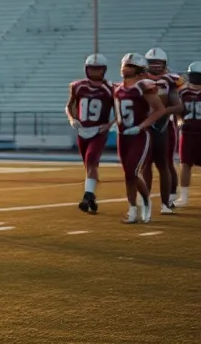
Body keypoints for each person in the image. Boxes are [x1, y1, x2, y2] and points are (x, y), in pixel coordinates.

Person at [114, 53, 167, 224]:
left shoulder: (144, 86)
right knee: (127, 175)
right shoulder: (117, 88)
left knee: (132, 172)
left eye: (130, 66)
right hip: (123, 136)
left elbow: (160, 110)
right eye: (125, 65)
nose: (125, 68)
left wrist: (141, 126)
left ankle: (145, 202)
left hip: (139, 136)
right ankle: (132, 211)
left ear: (138, 70)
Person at [66, 54, 115, 214]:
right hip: (82, 130)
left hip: (98, 130)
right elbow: (69, 106)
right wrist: (72, 119)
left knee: (91, 159)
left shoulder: (111, 89)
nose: (94, 72)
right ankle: (92, 196)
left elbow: (120, 112)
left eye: (97, 69)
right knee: (88, 165)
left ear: (104, 70)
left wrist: (108, 125)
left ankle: (87, 196)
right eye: (91, 69)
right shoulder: (77, 86)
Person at [143, 47, 184, 212]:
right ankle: (146, 199)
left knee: (165, 163)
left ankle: (169, 198)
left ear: (164, 63)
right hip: (146, 126)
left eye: (158, 62)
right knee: (145, 164)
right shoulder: (140, 79)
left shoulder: (172, 80)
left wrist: (164, 112)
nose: (155, 66)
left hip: (164, 125)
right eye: (152, 62)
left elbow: (180, 104)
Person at [176, 61, 201, 208]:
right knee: (185, 164)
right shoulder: (183, 92)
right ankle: (183, 197)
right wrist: (179, 120)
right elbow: (178, 110)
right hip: (188, 132)